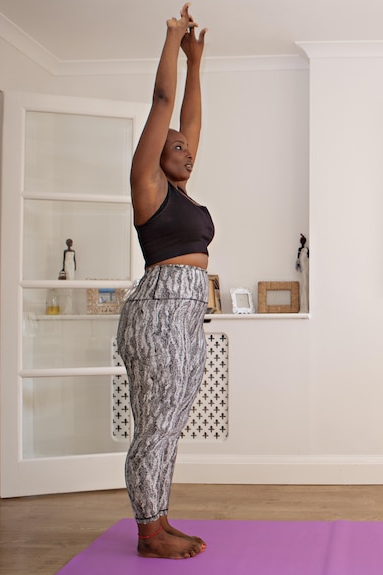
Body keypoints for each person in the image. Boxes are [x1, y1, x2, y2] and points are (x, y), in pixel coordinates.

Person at [115, 3, 213, 559]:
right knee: (155, 424)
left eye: (188, 149)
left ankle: (160, 516)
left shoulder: (183, 193)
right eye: (175, 147)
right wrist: (174, 40)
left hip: (187, 313)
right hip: (158, 311)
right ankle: (148, 532)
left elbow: (190, 123)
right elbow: (165, 106)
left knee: (171, 422)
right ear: (157, 155)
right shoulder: (147, 186)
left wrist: (196, 63)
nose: (187, 152)